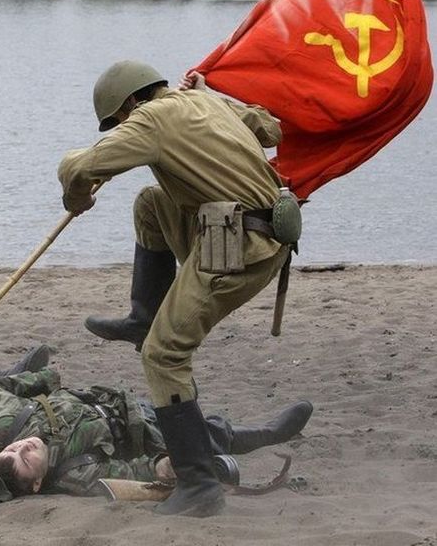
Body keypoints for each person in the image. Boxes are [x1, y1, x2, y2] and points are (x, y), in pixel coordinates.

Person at [57, 61, 301, 517]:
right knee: (151, 203)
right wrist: (212, 97)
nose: (122, 128)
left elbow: (82, 165)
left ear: (132, 102)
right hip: (257, 234)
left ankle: (199, 485)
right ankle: (144, 316)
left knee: (163, 356)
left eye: (119, 120)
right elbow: (270, 129)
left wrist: (77, 196)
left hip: (237, 246)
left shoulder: (151, 117)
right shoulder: (202, 102)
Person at [0, 368, 313, 508]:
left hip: (120, 398)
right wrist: (165, 465)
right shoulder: (73, 474)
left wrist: (42, 379)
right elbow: (131, 472)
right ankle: (269, 433)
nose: (24, 446)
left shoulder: (6, 424)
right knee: (207, 435)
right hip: (143, 428)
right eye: (25, 459)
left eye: (13, 449)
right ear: (36, 485)